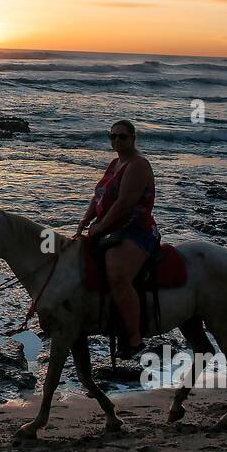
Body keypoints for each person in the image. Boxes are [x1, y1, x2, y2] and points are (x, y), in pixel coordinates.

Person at [75, 119, 160, 358]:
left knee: (118, 275)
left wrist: (99, 228)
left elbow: (124, 204)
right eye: (112, 137)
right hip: (111, 228)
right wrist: (85, 221)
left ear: (133, 138)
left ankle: (134, 339)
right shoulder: (115, 164)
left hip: (136, 230)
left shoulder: (138, 166)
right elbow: (98, 196)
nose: (116, 141)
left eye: (122, 136)